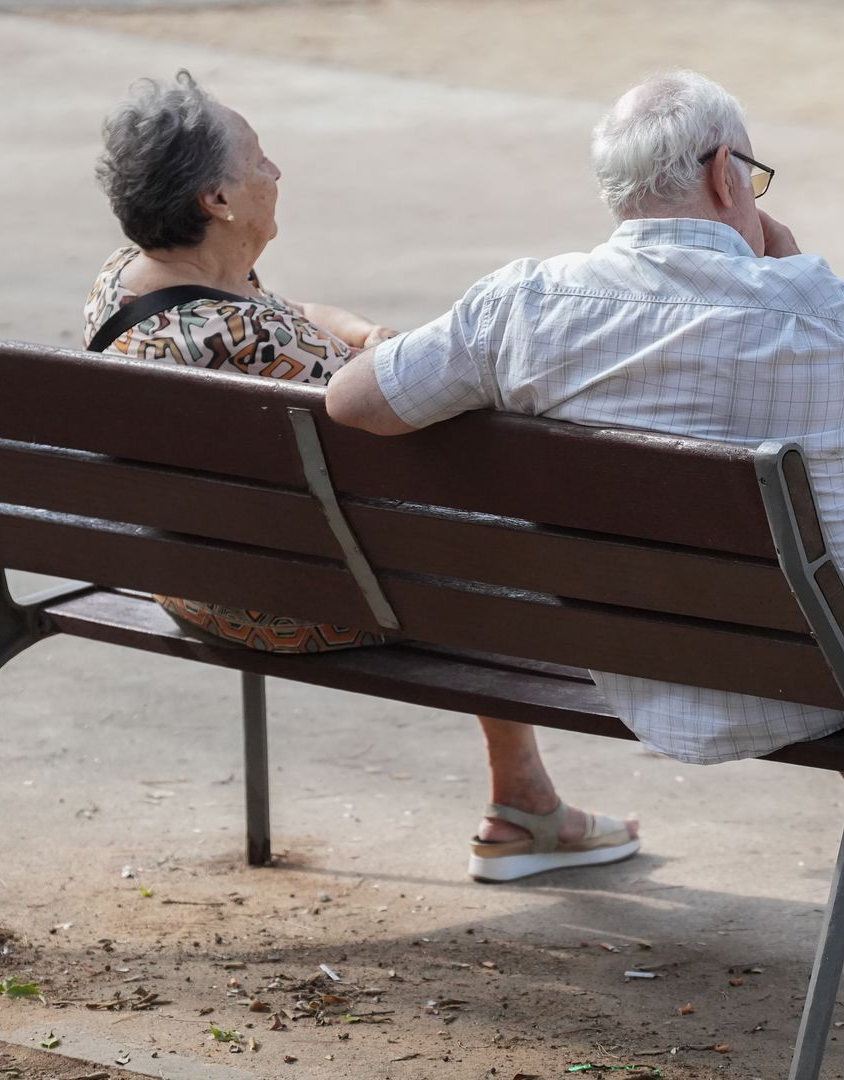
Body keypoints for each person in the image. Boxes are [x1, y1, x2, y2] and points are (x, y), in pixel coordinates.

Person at [328, 69, 844, 988]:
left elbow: (354, 401)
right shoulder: (804, 310)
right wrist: (814, 289)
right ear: (725, 174)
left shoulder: (522, 304)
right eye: (751, 177)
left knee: (819, 593)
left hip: (678, 663)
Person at [85, 71, 638, 883]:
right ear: (219, 201)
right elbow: (404, 411)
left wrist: (366, 333)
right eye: (260, 161)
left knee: (448, 525)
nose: (277, 173)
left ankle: (524, 796)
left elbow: (293, 315)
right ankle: (524, 806)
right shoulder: (258, 343)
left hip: (192, 577)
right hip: (301, 604)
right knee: (485, 524)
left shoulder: (136, 285)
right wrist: (388, 355)